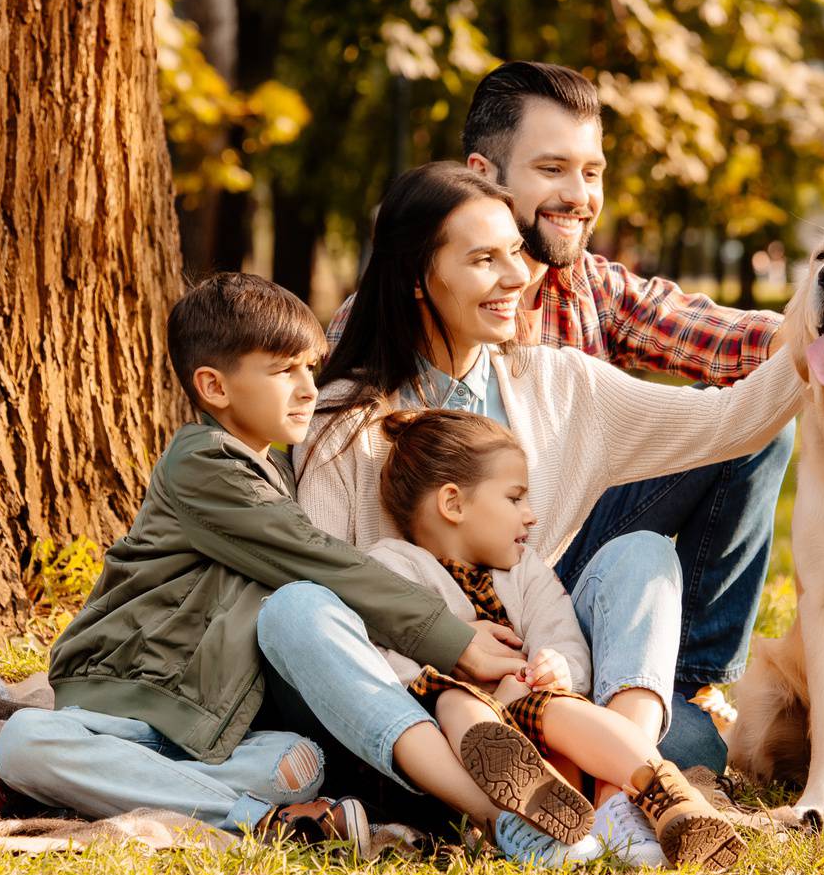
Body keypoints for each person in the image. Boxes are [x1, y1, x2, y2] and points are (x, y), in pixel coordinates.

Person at [261, 162, 803, 842]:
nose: (518, 276)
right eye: (484, 259)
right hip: (415, 700)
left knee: (642, 561)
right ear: (416, 279)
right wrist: (452, 651)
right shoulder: (343, 424)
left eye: (513, 251)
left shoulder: (559, 381)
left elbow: (731, 423)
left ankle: (617, 796)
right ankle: (511, 799)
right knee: (297, 612)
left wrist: (819, 335)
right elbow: (336, 601)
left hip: (537, 676)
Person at [0, 273, 525, 856]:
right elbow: (321, 558)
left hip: (217, 728)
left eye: (311, 367)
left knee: (297, 763)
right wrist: (454, 639)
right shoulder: (202, 463)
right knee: (26, 740)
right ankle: (260, 820)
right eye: (285, 371)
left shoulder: (272, 472)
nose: (309, 387)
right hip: (135, 704)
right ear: (215, 386)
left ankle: (77, 794)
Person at [329, 61, 795, 769]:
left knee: (738, 447)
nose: (579, 196)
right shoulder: (377, 352)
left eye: (592, 172)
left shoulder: (585, 302)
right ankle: (621, 750)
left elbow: (722, 344)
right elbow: (341, 552)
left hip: (557, 559)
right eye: (553, 168)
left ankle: (679, 689)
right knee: (686, 749)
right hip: (439, 616)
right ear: (483, 174)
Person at [367, 408, 748, 871]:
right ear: (453, 503)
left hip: (533, 711)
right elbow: (387, 659)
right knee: (457, 704)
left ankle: (664, 796)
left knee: (562, 705)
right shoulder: (392, 566)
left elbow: (564, 638)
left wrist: (557, 665)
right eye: (515, 499)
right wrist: (481, 687)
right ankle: (553, 820)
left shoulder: (524, 570)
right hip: (456, 728)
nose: (530, 516)